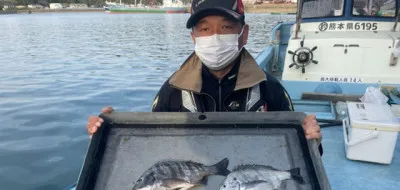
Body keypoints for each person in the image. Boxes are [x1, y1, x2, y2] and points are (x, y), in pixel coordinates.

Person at [87, 0, 322, 149]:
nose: (215, 36)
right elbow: (151, 147)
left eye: (227, 27)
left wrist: (313, 140)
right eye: (205, 29)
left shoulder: (270, 89)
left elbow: (300, 153)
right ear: (194, 37)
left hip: (251, 183)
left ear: (244, 34)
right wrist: (107, 135)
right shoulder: (171, 91)